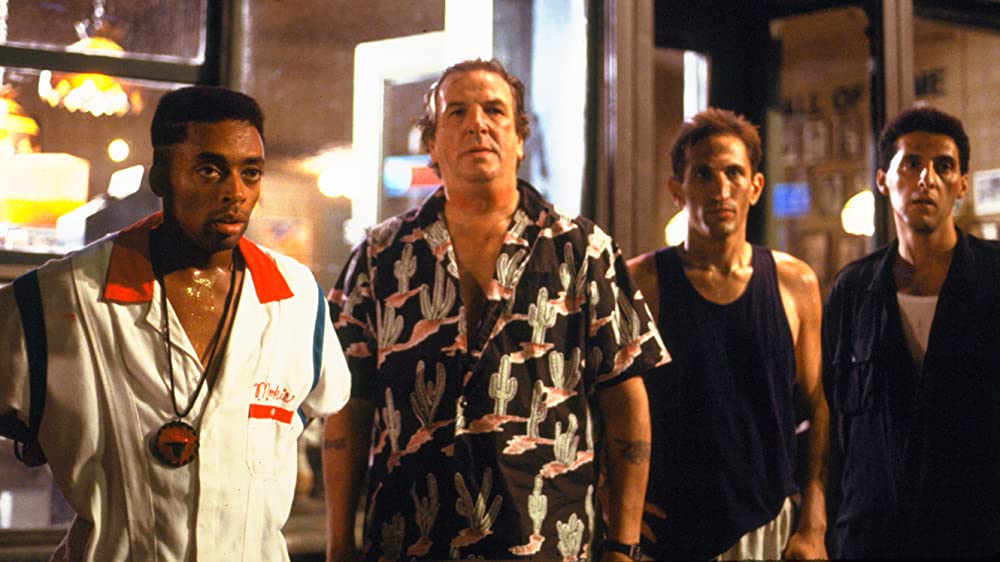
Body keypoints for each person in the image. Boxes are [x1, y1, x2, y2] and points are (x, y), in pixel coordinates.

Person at [323, 58, 669, 562]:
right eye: (457, 112)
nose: (477, 124)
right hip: (406, 542)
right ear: (432, 144)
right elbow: (348, 407)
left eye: (494, 110)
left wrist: (623, 544)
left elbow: (626, 402)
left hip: (549, 542)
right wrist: (338, 543)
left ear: (520, 138)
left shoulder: (583, 250)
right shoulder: (381, 255)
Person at [0, 86, 351, 560]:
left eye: (250, 173)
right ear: (161, 175)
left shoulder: (296, 298)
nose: (235, 193)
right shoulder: (61, 296)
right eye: (209, 170)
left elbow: (316, 402)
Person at [627, 108, 829, 560]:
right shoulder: (641, 284)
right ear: (677, 190)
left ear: (754, 187)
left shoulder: (794, 283)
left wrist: (814, 523)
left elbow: (815, 409)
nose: (720, 190)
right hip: (670, 531)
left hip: (768, 524)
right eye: (704, 174)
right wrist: (614, 500)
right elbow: (605, 405)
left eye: (734, 173)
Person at [823, 107, 1000, 558]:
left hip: (974, 534)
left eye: (943, 166)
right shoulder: (853, 289)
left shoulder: (993, 277)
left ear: (962, 183)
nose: (927, 179)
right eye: (912, 164)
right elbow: (837, 425)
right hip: (873, 537)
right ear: (883, 180)